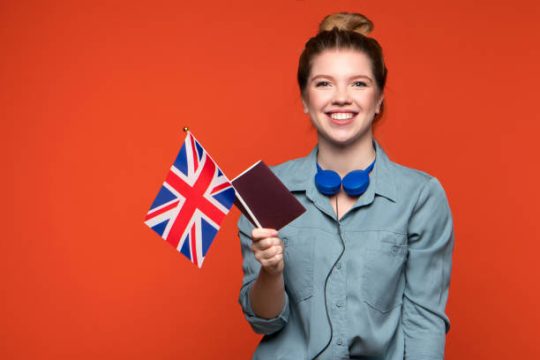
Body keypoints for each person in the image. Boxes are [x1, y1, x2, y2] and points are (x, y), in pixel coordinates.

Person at [237, 12, 454, 360]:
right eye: (324, 83)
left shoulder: (420, 197)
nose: (341, 97)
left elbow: (425, 324)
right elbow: (265, 323)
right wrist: (271, 272)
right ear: (305, 100)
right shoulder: (264, 190)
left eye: (359, 83)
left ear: (379, 99)